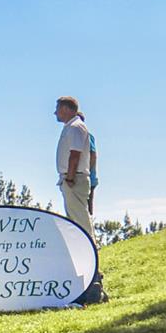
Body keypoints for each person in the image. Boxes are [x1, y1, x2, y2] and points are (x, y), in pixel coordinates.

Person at [54, 96, 91, 236]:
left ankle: (89, 244)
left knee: (80, 219)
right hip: (71, 177)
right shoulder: (70, 127)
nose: (55, 113)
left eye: (57, 109)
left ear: (65, 109)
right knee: (74, 219)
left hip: (75, 178)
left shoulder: (76, 127)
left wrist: (70, 178)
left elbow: (75, 154)